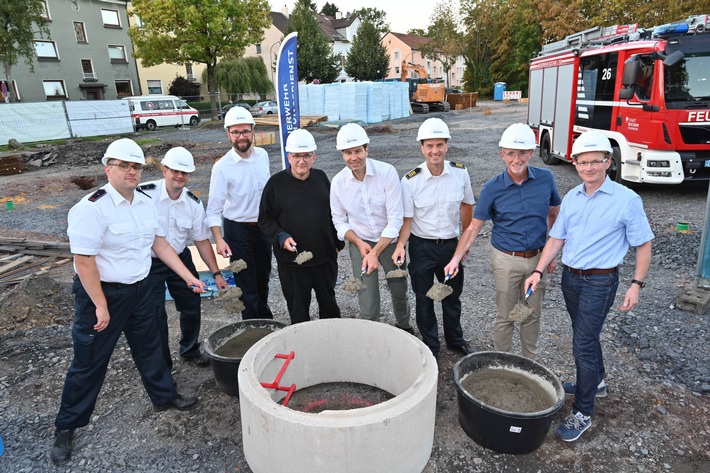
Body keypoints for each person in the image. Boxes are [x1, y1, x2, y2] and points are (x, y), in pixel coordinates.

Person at [51, 139, 206, 465]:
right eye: (124, 166)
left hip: (139, 289)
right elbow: (84, 261)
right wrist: (100, 305)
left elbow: (160, 244)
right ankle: (67, 426)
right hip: (102, 293)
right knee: (90, 361)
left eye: (135, 166)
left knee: (150, 347)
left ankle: (164, 396)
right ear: (108, 169)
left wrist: (189, 276)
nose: (131, 171)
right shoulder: (92, 208)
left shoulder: (145, 203)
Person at [524, 131, 653, 442]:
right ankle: (597, 382)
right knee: (586, 333)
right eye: (584, 162)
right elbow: (557, 237)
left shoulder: (626, 200)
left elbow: (644, 245)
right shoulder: (572, 197)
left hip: (601, 280)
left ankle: (583, 411)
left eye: (597, 161)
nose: (590, 167)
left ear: (608, 163)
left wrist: (636, 284)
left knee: (582, 343)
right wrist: (539, 270)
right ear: (576, 163)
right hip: (571, 278)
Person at [444, 123, 561, 359]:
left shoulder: (546, 179)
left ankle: (529, 363)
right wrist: (456, 259)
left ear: (531, 153)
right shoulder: (492, 188)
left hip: (538, 260)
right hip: (506, 260)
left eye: (522, 153)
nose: (516, 159)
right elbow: (474, 227)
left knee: (531, 313)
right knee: (507, 314)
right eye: (510, 153)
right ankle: (503, 362)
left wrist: (552, 255)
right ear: (502, 155)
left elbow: (555, 216)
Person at [393, 118, 475, 357]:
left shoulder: (460, 173)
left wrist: (465, 244)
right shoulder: (410, 180)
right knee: (424, 298)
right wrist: (400, 245)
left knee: (452, 296)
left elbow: (467, 206)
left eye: (439, 144)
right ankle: (431, 346)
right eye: (429, 145)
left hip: (450, 246)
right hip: (422, 247)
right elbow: (407, 220)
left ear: (447, 145)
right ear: (422, 147)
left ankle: (454, 339)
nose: (435, 150)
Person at [140, 147, 228, 370]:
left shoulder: (193, 204)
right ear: (165, 170)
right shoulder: (144, 195)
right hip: (150, 262)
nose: (180, 176)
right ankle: (162, 364)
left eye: (185, 173)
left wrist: (216, 273)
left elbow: (202, 241)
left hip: (180, 256)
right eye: (175, 171)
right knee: (155, 313)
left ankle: (189, 350)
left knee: (191, 305)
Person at [330, 123, 413, 333]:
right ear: (342, 155)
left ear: (367, 149)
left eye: (358, 151)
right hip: (361, 243)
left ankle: (405, 328)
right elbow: (339, 221)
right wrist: (359, 243)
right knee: (366, 293)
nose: (353, 157)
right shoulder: (338, 183)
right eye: (348, 152)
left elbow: (395, 219)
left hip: (390, 242)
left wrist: (376, 252)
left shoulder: (387, 173)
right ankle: (372, 334)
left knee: (398, 287)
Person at [258, 129, 343, 324]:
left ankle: (332, 342)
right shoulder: (275, 184)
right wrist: (280, 236)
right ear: (289, 157)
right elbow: (265, 219)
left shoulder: (322, 178)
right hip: (292, 262)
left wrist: (337, 244)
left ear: (314, 157)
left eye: (306, 155)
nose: (301, 161)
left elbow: (334, 213)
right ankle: (303, 348)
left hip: (324, 259)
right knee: (298, 309)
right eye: (297, 156)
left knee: (329, 304)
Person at [205, 106, 273, 320]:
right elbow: (214, 208)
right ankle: (253, 328)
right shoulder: (222, 167)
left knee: (263, 278)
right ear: (228, 134)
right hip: (237, 231)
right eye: (236, 132)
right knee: (245, 282)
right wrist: (219, 239)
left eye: (245, 131)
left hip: (263, 228)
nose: (241, 137)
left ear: (253, 131)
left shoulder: (262, 155)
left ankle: (263, 319)